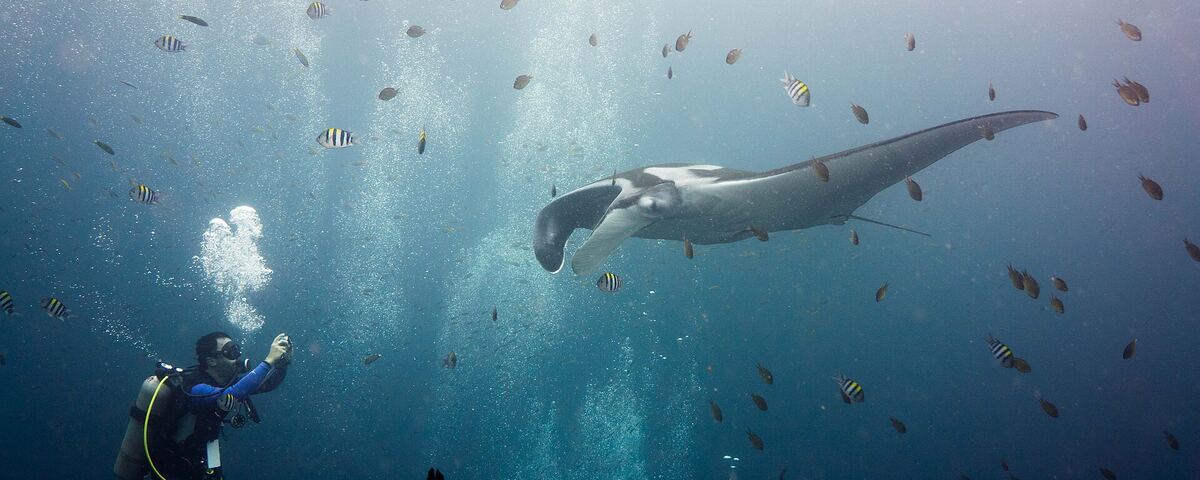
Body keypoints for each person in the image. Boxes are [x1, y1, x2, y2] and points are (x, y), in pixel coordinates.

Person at [114, 332, 293, 480]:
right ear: (211, 360)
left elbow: (266, 384)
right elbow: (228, 395)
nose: (237, 356)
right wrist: (269, 360)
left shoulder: (226, 383)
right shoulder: (195, 387)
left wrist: (282, 364)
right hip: (174, 470)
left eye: (236, 350)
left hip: (199, 465)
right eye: (231, 351)